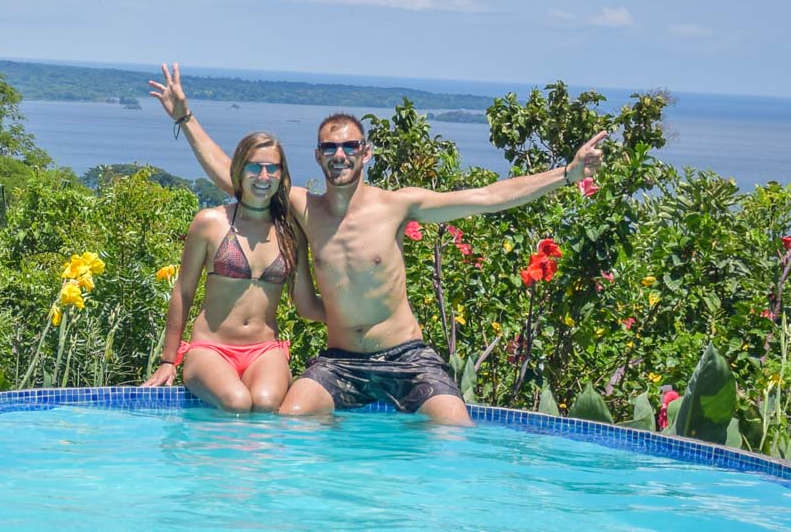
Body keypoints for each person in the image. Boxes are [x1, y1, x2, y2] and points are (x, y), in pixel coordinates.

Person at [150, 63, 606, 425]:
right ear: (318, 156)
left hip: (407, 357)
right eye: (329, 148)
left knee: (455, 433)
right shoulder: (304, 208)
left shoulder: (397, 206)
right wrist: (185, 118)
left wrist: (565, 175)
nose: (340, 155)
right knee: (287, 422)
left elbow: (486, 198)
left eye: (349, 146)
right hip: (341, 361)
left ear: (365, 152)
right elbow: (233, 171)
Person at [143, 131, 324, 414]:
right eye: (254, 166)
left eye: (272, 168)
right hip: (211, 348)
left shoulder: (290, 233)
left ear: (281, 174)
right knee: (236, 402)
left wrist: (356, 322)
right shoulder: (211, 222)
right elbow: (184, 290)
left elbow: (305, 304)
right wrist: (168, 360)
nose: (263, 176)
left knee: (265, 404)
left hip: (265, 350)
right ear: (239, 170)